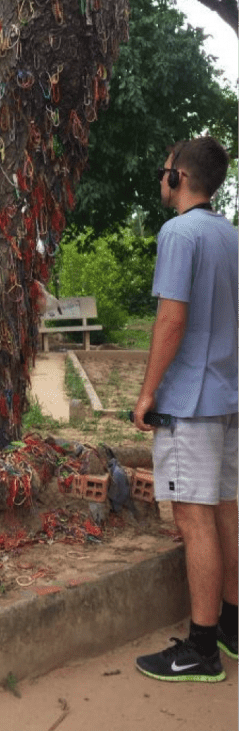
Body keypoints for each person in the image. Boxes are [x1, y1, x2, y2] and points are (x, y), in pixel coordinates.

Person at [133, 136, 238, 683]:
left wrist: (148, 392)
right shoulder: (229, 235)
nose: (161, 178)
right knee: (224, 508)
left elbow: (171, 320)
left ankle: (201, 649)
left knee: (192, 517)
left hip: (189, 403)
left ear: (178, 176)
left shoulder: (178, 234)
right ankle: (233, 626)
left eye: (163, 169)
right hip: (226, 397)